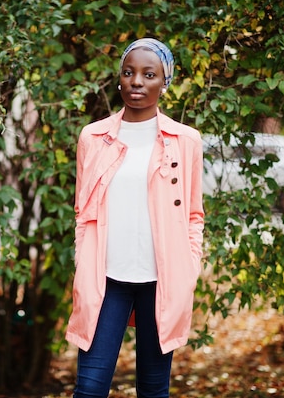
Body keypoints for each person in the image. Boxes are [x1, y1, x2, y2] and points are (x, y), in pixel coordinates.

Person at [65, 37, 205, 398]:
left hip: (162, 279)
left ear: (164, 81)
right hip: (107, 278)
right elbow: (83, 211)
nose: (137, 82)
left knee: (153, 390)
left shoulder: (185, 140)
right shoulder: (93, 137)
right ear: (119, 79)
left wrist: (189, 267)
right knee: (90, 389)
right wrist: (83, 260)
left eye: (148, 74)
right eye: (129, 73)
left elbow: (193, 214)